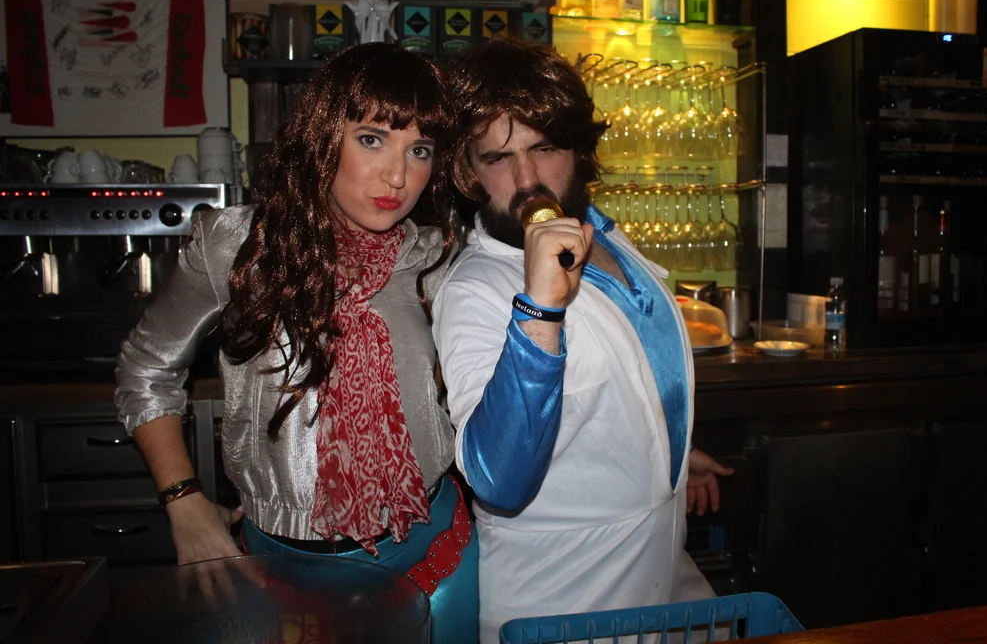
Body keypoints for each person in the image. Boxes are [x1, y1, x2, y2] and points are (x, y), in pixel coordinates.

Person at [115, 43, 478, 644]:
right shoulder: (237, 247)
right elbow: (145, 371)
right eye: (371, 139)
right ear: (322, 137)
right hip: (283, 568)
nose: (398, 176)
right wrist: (182, 498)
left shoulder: (436, 258)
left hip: (435, 551)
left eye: (419, 150)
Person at [433, 37, 734, 643]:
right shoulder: (475, 290)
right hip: (562, 601)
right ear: (469, 172)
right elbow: (497, 480)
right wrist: (541, 307)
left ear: (578, 148)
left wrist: (665, 451)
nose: (526, 180)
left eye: (543, 147)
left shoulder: (605, 237)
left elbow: (622, 374)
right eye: (497, 158)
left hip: (660, 575)